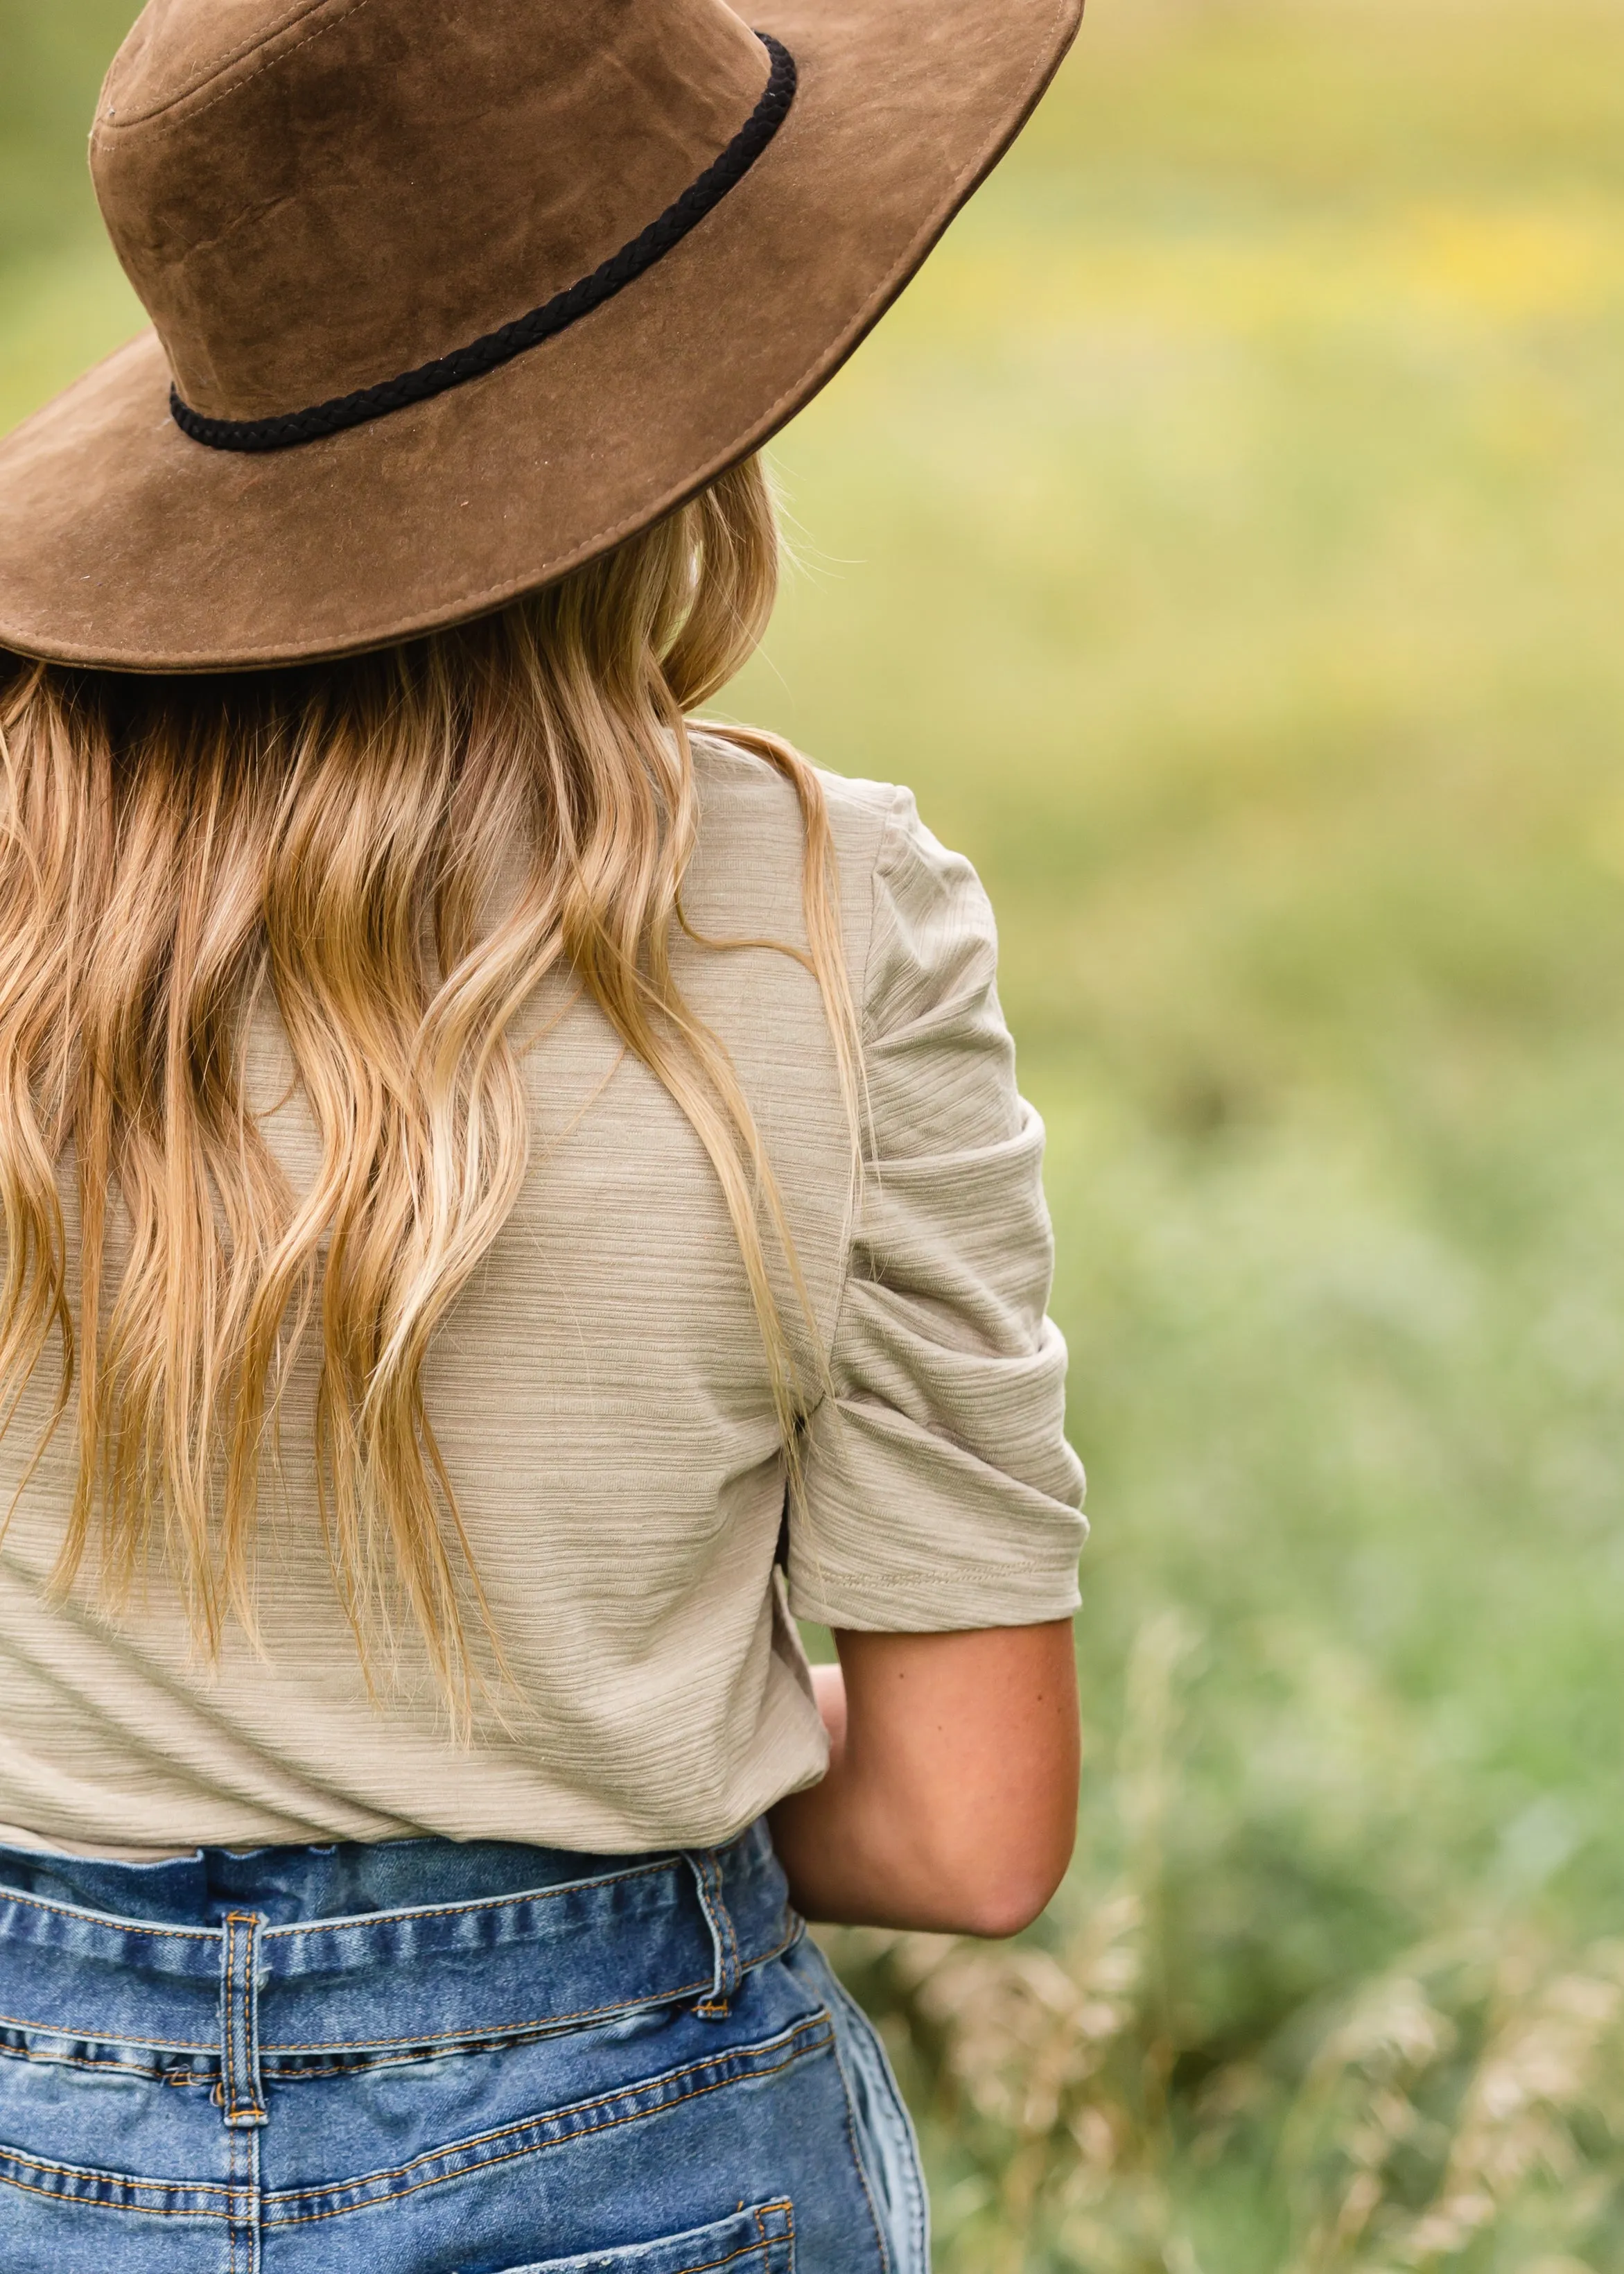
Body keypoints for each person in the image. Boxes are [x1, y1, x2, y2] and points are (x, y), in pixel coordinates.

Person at [0, 0, 1088, 2264]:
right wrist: (579, 1760)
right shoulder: (831, 908)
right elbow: (967, 1836)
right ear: (701, 411)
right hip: (632, 2125)